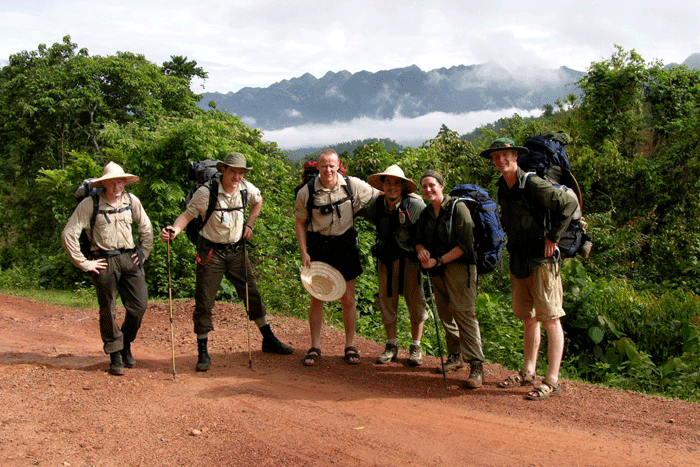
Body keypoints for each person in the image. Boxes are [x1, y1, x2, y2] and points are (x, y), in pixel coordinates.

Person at [161, 152, 293, 372]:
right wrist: (174, 230)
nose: (237, 176)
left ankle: (268, 339)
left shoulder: (246, 189)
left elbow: (258, 202)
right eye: (233, 171)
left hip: (236, 251)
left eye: (241, 172)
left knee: (252, 293)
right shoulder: (206, 193)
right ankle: (203, 352)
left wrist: (249, 225)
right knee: (204, 300)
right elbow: (186, 216)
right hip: (210, 252)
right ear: (223, 170)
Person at [481, 137, 578, 400]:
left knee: (550, 318)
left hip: (542, 259)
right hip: (519, 259)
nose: (501, 160)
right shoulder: (503, 186)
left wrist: (554, 237)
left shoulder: (533, 183)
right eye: (496, 157)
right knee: (529, 317)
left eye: (505, 155)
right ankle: (527, 372)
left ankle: (553, 379)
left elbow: (568, 204)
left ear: (515, 156)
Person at [62, 162, 153, 376]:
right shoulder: (89, 204)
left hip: (130, 257)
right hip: (103, 261)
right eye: (112, 182)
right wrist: (84, 263)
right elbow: (69, 233)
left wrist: (144, 253)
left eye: (120, 181)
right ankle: (114, 352)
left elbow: (146, 227)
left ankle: (126, 343)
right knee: (108, 308)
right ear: (104, 184)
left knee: (139, 305)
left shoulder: (132, 201)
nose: (117, 185)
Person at [294, 149, 378, 366]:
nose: (328, 170)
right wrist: (304, 252)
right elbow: (300, 223)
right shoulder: (307, 191)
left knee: (348, 299)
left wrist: (410, 195)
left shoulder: (352, 185)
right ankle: (314, 346)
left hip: (345, 245)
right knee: (317, 298)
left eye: (332, 165)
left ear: (338, 165)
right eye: (324, 166)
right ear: (318, 167)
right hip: (319, 246)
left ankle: (350, 345)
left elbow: (380, 195)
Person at [415, 170, 485, 389]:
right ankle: (455, 357)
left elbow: (466, 245)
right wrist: (422, 251)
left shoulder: (458, 209)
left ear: (442, 186)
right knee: (446, 313)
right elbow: (417, 239)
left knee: (464, 313)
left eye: (432, 185)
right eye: (424, 186)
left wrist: (439, 261)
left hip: (460, 268)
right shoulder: (426, 213)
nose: (428, 190)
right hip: (438, 269)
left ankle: (476, 365)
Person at [364, 165, 428, 366]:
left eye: (396, 183)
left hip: (411, 261)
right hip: (386, 260)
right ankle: (391, 345)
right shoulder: (377, 206)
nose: (392, 187)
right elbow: (358, 212)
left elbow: (429, 225)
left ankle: (416, 346)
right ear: (382, 185)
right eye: (388, 182)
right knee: (387, 302)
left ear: (403, 186)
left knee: (416, 303)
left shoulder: (415, 206)